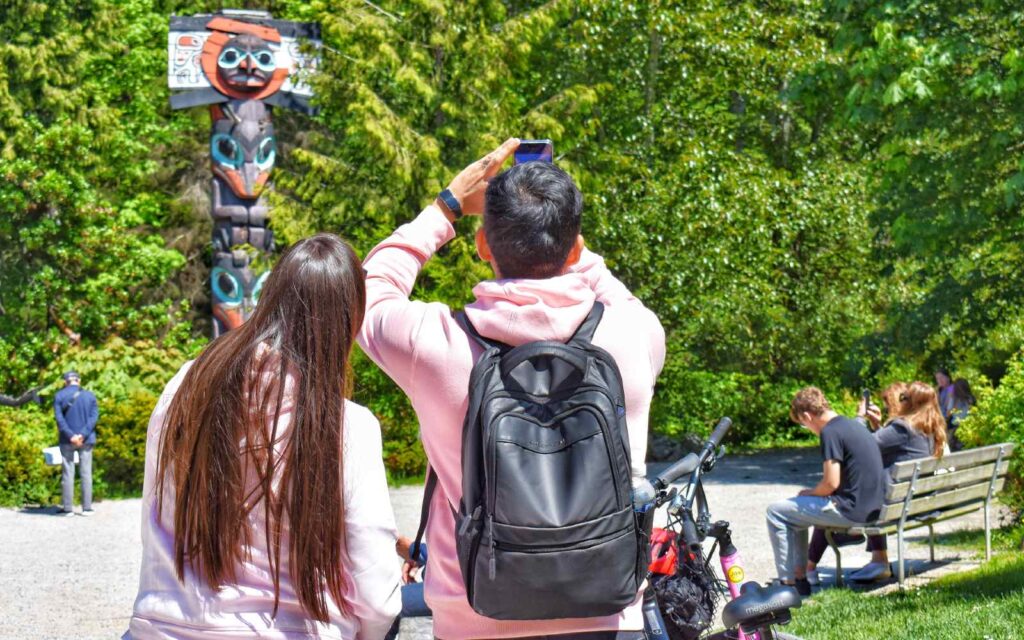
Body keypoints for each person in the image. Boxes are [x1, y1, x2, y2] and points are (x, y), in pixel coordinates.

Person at [357, 138, 666, 638]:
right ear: (576, 248)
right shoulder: (634, 335)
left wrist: (446, 207)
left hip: (475, 615)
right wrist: (564, 235)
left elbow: (368, 291)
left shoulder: (436, 344)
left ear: (482, 247)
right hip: (609, 611)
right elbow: (607, 287)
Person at [126, 234, 401, 639]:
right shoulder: (347, 425)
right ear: (350, 324)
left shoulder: (186, 384)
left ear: (270, 296)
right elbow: (378, 598)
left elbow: (156, 512)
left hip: (162, 628)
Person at [765, 387, 886, 596]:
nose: (808, 428)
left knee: (776, 512)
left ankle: (789, 584)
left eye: (804, 424)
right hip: (872, 508)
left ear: (806, 416)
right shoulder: (854, 426)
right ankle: (799, 578)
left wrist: (810, 492)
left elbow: (831, 483)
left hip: (850, 511)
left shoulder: (830, 432)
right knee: (794, 512)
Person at [54, 371, 99, 516]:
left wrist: (71, 435)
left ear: (65, 382)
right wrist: (82, 435)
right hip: (86, 440)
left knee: (68, 473)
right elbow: (94, 418)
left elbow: (59, 419)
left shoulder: (59, 396)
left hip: (67, 440)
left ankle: (68, 509)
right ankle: (87, 508)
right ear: (78, 381)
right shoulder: (90, 396)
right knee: (86, 473)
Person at [947, 378, 974, 451]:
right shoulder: (971, 399)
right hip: (969, 428)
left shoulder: (954, 399)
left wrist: (950, 396)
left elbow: (948, 414)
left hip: (955, 429)